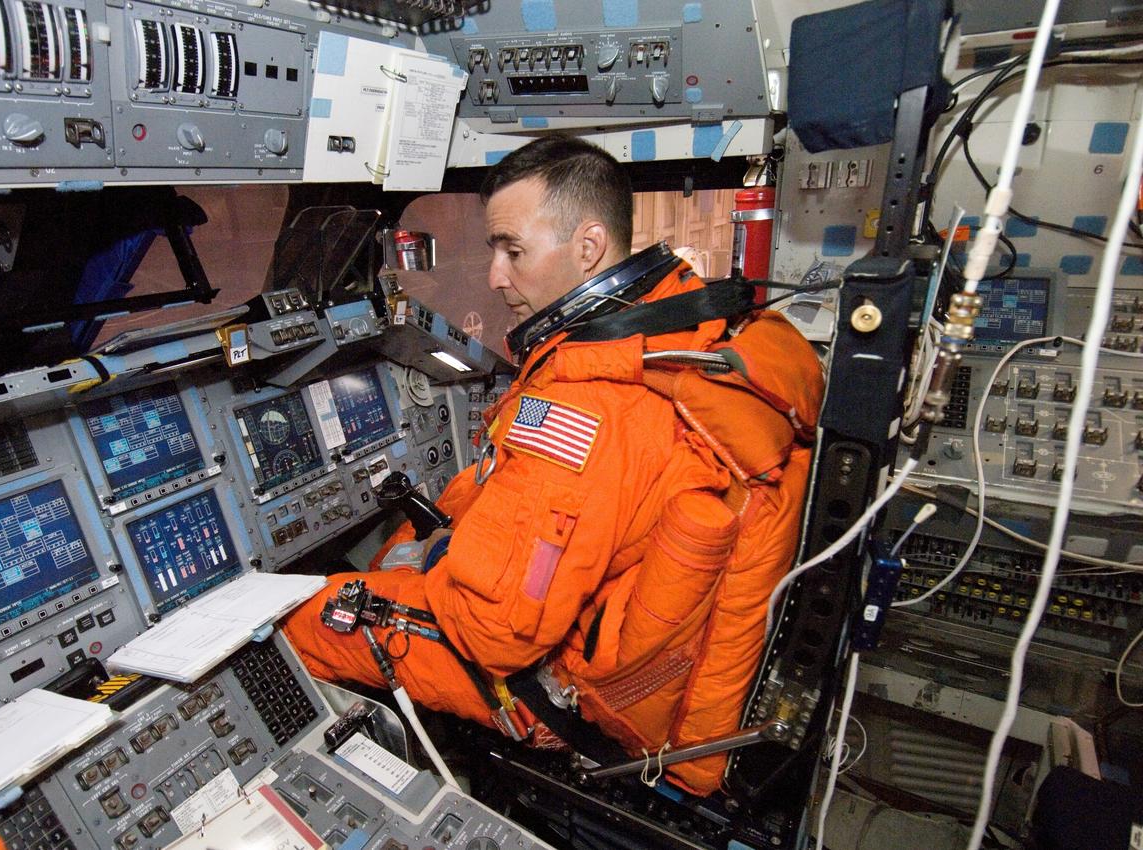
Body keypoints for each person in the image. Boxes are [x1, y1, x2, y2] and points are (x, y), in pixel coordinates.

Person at [282, 135, 823, 795]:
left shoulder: (590, 404)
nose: (495, 277)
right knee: (408, 547)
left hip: (562, 692)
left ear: (589, 247)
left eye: (513, 250)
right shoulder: (683, 327)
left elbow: (495, 635)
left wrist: (428, 563)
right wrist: (438, 550)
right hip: (639, 635)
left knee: (309, 621)